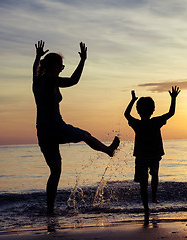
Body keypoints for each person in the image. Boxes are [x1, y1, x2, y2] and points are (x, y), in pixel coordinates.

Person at [32, 40, 120, 215]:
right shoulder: (49, 80)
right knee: (86, 135)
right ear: (53, 66)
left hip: (42, 131)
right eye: (61, 65)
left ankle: (50, 210)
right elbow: (73, 81)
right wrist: (83, 61)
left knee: (55, 171)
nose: (62, 68)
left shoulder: (37, 81)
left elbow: (35, 67)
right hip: (57, 127)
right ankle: (109, 151)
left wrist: (37, 57)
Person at [124, 87, 180, 224]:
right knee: (154, 175)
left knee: (143, 184)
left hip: (141, 156)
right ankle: (154, 197)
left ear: (138, 110)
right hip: (154, 155)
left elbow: (126, 114)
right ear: (153, 109)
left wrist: (132, 101)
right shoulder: (155, 121)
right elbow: (171, 113)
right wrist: (173, 98)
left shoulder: (137, 123)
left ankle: (146, 208)